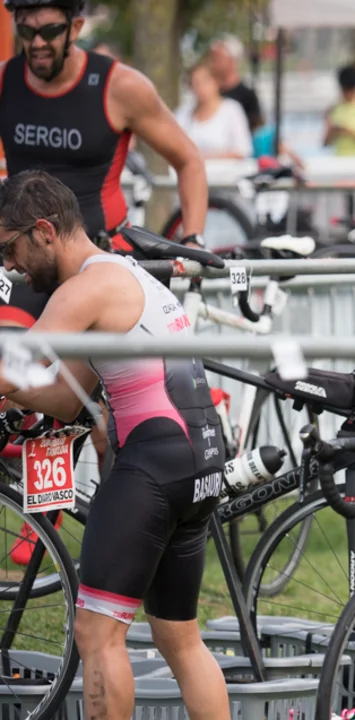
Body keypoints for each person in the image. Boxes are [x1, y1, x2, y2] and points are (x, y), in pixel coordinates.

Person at [0, 170, 228, 719]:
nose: (9, 266)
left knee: (96, 633)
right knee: (178, 638)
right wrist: (14, 398)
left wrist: (8, 384)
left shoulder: (86, 288)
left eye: (9, 248)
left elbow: (15, 364)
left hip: (154, 464)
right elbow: (65, 397)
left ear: (44, 231)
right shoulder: (119, 275)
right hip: (198, 460)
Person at [0, 0, 209, 272]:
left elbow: (189, 160)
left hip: (101, 256)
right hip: (23, 261)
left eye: (50, 31)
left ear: (76, 28)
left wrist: (193, 240)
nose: (38, 43)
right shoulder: (5, 81)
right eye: (26, 31)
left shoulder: (120, 86)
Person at [176, 59, 253, 161]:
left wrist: (204, 157)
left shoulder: (232, 110)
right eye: (196, 83)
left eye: (205, 81)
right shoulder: (183, 113)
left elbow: (242, 151)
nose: (201, 87)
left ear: (216, 82)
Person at [207, 33, 261, 134]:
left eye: (218, 58)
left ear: (232, 61)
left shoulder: (247, 96)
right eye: (212, 58)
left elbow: (256, 129)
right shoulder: (208, 93)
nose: (213, 63)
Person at [323, 65, 355, 157]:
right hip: (340, 159)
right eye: (345, 90)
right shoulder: (334, 109)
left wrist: (350, 132)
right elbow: (325, 143)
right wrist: (333, 132)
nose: (347, 94)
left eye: (350, 90)